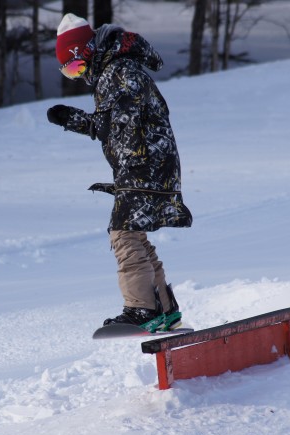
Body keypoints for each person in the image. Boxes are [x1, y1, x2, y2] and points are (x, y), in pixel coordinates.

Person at [47, 13, 193, 332]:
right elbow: (112, 124)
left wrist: (102, 123)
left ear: (87, 51)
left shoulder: (120, 69)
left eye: (77, 66)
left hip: (144, 162)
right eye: (71, 72)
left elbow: (124, 114)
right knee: (133, 233)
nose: (79, 75)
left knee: (123, 233)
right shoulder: (111, 71)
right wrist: (71, 119)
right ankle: (163, 309)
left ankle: (142, 309)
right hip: (145, 162)